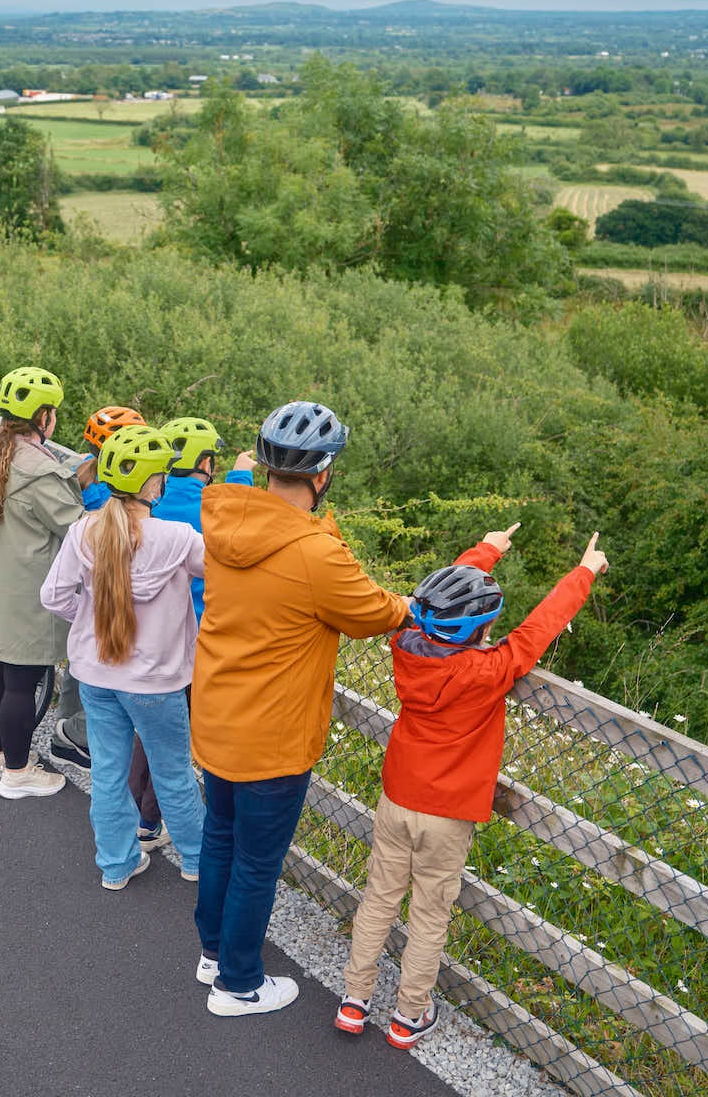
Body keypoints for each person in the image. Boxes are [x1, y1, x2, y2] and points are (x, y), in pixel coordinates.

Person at [336, 526, 608, 1048]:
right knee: (429, 914)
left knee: (378, 900)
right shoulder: (489, 671)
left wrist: (486, 551)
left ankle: (354, 999)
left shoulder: (406, 647)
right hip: (447, 814)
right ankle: (408, 1014)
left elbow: (442, 600)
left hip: (397, 798)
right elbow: (537, 629)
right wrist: (584, 572)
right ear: (481, 629)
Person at [190, 401, 412, 1017]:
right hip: (273, 733)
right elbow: (374, 612)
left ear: (264, 466)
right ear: (323, 475)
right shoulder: (316, 552)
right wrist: (412, 604)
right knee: (258, 862)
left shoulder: (223, 514)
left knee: (220, 837)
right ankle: (237, 984)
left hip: (216, 713)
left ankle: (214, 951)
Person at [39, 425, 207, 889]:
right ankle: (196, 862)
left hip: (95, 674)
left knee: (109, 773)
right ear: (155, 485)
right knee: (173, 774)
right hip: (155, 683)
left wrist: (87, 620)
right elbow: (221, 575)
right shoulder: (178, 537)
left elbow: (53, 596)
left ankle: (116, 865)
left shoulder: (84, 532)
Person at [123, 416, 253, 852]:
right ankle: (152, 823)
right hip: (199, 642)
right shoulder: (211, 506)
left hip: (146, 634)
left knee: (148, 729)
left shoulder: (153, 503)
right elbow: (241, 521)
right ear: (204, 461)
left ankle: (132, 812)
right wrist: (241, 473)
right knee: (178, 738)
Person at [0, 366, 85, 799]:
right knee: (23, 682)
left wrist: (75, 475)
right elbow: (74, 526)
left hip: (0, 582)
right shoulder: (39, 470)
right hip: (31, 589)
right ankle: (17, 774)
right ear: (44, 417)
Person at [50, 404, 149, 769]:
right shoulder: (113, 495)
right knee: (106, 671)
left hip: (79, 586)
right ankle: (77, 734)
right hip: (109, 592)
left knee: (81, 661)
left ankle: (67, 730)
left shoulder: (80, 472)